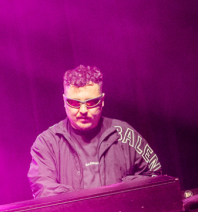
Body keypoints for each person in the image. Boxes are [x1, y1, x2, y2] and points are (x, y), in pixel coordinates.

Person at [27, 65, 162, 198]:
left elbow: (154, 176)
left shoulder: (125, 134)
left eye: (91, 103)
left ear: (102, 100)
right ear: (64, 101)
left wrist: (120, 193)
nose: (83, 110)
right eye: (74, 103)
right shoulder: (47, 143)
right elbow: (43, 190)